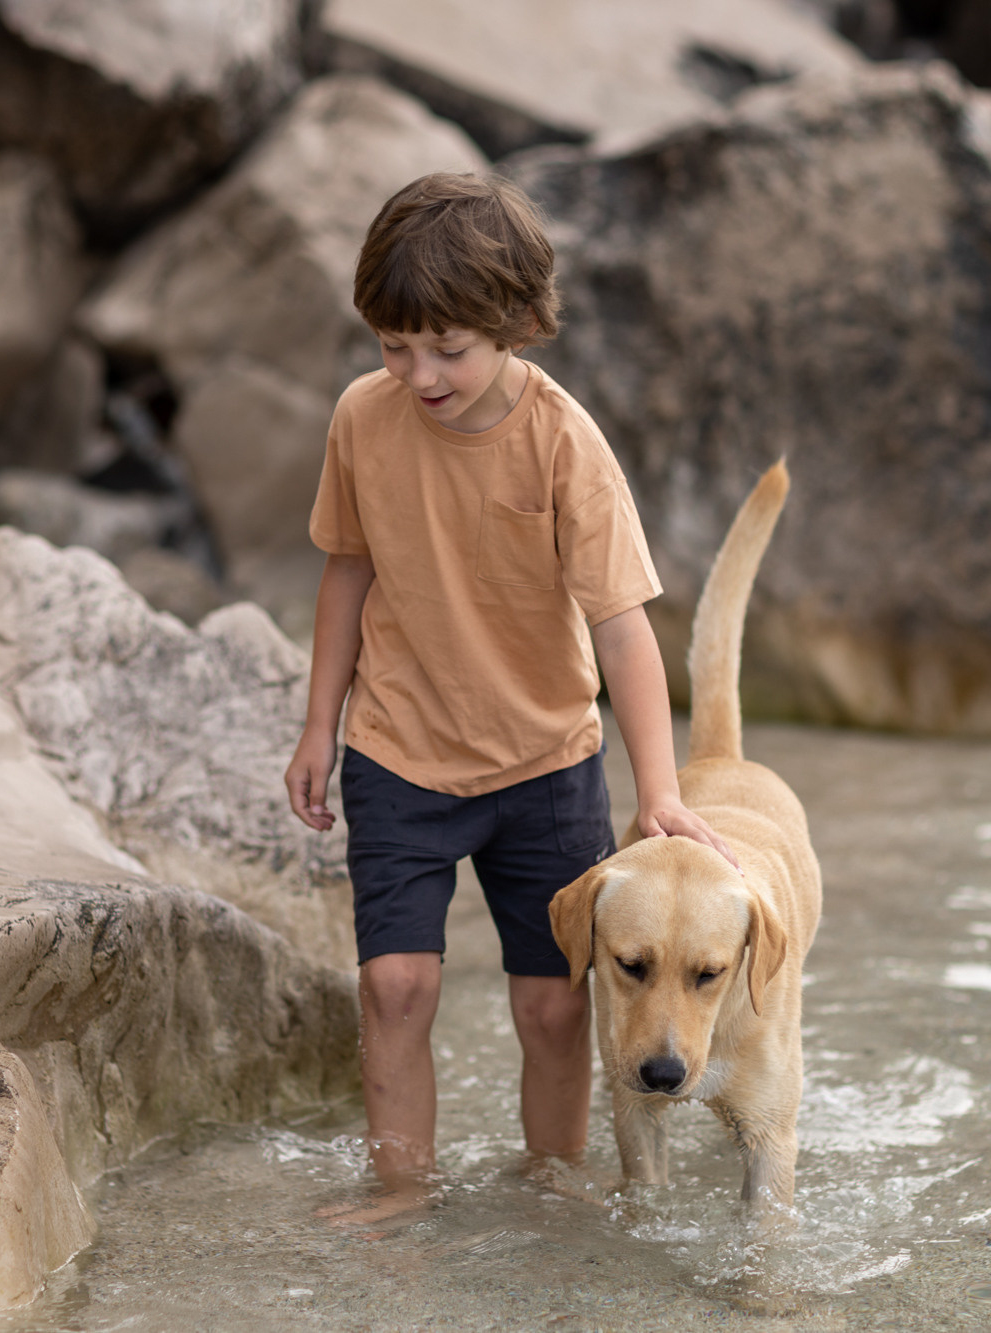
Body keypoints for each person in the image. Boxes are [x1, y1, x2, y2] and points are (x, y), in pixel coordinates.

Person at [284, 172, 734, 1219]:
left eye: (447, 347)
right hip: (397, 748)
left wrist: (656, 791)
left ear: (518, 326)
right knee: (395, 985)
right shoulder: (363, 417)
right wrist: (318, 726)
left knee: (545, 1004)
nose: (418, 373)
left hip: (546, 766)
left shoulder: (563, 442)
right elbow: (345, 570)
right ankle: (400, 1188)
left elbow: (621, 625)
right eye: (396, 345)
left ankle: (550, 1183)